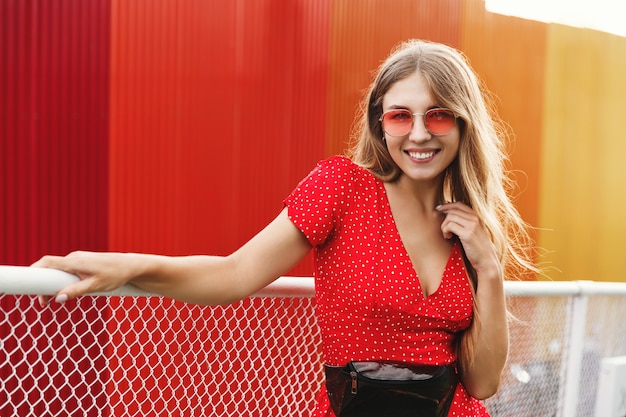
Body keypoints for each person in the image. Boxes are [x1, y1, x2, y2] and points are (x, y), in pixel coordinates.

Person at [34, 39, 536, 416]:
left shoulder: (470, 229)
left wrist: (488, 267)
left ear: (464, 123)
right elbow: (233, 274)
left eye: (440, 116)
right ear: (380, 124)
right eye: (401, 116)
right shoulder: (342, 186)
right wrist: (129, 265)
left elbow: (484, 381)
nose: (420, 133)